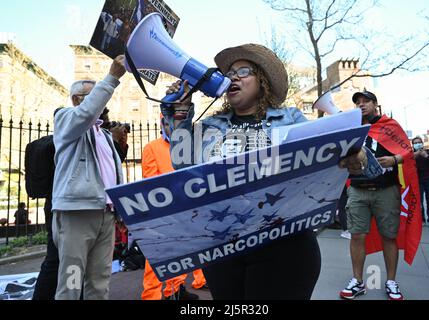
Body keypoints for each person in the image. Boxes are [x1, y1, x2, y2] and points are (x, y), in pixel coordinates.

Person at [162, 43, 378, 300]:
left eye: (243, 71)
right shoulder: (211, 126)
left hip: (285, 245)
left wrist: (359, 156)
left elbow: (366, 169)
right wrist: (181, 113)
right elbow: (182, 165)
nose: (233, 77)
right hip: (224, 249)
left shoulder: (290, 118)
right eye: (229, 73)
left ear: (262, 81)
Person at [51, 55, 126, 300]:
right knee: (71, 281)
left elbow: (112, 174)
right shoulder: (65, 119)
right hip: (77, 215)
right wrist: (112, 78)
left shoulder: (104, 136)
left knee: (100, 280)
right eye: (92, 96)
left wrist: (120, 208)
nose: (101, 103)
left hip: (105, 215)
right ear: (76, 100)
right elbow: (85, 114)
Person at [339, 90, 419, 301]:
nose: (361, 105)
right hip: (357, 189)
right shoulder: (353, 129)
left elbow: (408, 152)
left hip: (386, 190)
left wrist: (394, 160)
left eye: (366, 101)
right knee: (356, 235)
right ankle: (357, 281)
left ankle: (391, 281)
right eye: (358, 102)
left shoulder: (390, 126)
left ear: (376, 104)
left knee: (389, 237)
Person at [141, 114, 205, 300]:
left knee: (183, 252)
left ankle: (175, 290)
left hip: (187, 208)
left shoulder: (190, 147)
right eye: (172, 122)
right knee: (157, 256)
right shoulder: (151, 147)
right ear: (163, 122)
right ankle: (151, 296)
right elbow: (150, 182)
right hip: (163, 211)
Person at [412, 136, 429, 228]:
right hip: (417, 180)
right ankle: (422, 219)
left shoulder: (428, 152)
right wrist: (414, 157)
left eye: (419, 142)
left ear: (422, 144)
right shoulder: (411, 154)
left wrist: (426, 156)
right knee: (419, 201)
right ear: (412, 145)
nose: (417, 144)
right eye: (415, 143)